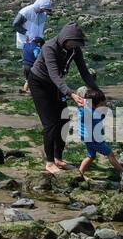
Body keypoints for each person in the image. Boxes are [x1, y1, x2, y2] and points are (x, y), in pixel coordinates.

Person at [25, 23, 98, 174]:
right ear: (65, 39)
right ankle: (49, 162)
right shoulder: (49, 47)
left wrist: (97, 90)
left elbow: (84, 71)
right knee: (50, 123)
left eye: (77, 43)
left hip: (55, 85)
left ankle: (58, 159)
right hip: (39, 82)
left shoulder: (74, 50)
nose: (75, 46)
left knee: (64, 120)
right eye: (73, 43)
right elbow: (54, 75)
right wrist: (70, 93)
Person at [76, 87, 123, 178]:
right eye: (102, 104)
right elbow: (84, 110)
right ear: (93, 105)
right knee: (110, 154)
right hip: (92, 138)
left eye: (104, 103)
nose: (104, 105)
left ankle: (79, 173)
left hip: (88, 137)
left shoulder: (93, 110)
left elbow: (100, 118)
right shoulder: (86, 112)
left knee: (91, 156)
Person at [13, 0, 53, 71]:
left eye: (45, 10)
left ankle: (35, 78)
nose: (44, 11)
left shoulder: (43, 14)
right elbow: (15, 25)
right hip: (25, 42)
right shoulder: (25, 12)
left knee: (37, 62)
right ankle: (27, 79)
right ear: (38, 6)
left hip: (37, 41)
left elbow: (41, 26)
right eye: (43, 9)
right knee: (27, 63)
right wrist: (27, 33)